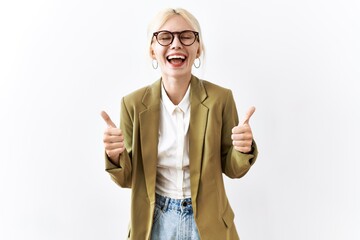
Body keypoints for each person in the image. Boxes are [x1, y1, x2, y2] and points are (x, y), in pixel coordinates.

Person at [101, 7, 258, 240]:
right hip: (154, 222)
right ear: (152, 50)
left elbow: (233, 169)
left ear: (198, 49)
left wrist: (243, 149)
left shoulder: (220, 99)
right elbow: (127, 179)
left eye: (186, 36)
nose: (176, 44)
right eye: (165, 37)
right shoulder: (132, 104)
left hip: (208, 222)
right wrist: (115, 156)